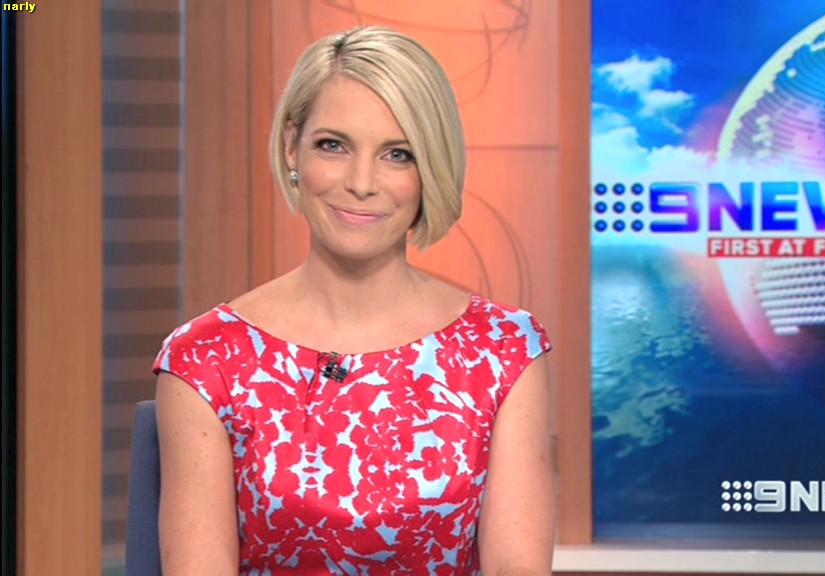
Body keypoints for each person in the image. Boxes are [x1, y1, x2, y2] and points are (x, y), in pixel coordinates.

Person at [152, 26, 554, 575]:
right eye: (333, 146)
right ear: (291, 147)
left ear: (430, 168)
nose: (362, 183)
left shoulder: (503, 351)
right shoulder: (205, 359)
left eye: (397, 154)